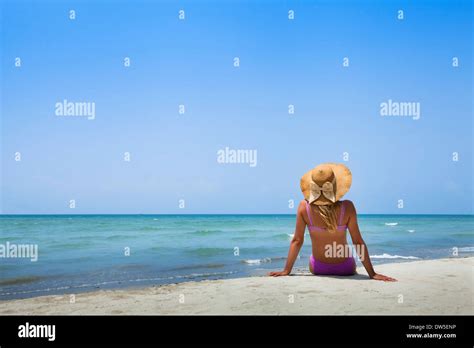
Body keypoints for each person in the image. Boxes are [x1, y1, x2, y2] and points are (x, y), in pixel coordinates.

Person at [269, 163, 396, 281]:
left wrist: (286, 270)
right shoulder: (347, 207)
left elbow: (297, 241)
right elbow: (357, 242)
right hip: (346, 268)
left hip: (318, 268)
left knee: (311, 257)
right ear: (335, 186)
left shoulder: (304, 207)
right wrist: (372, 274)